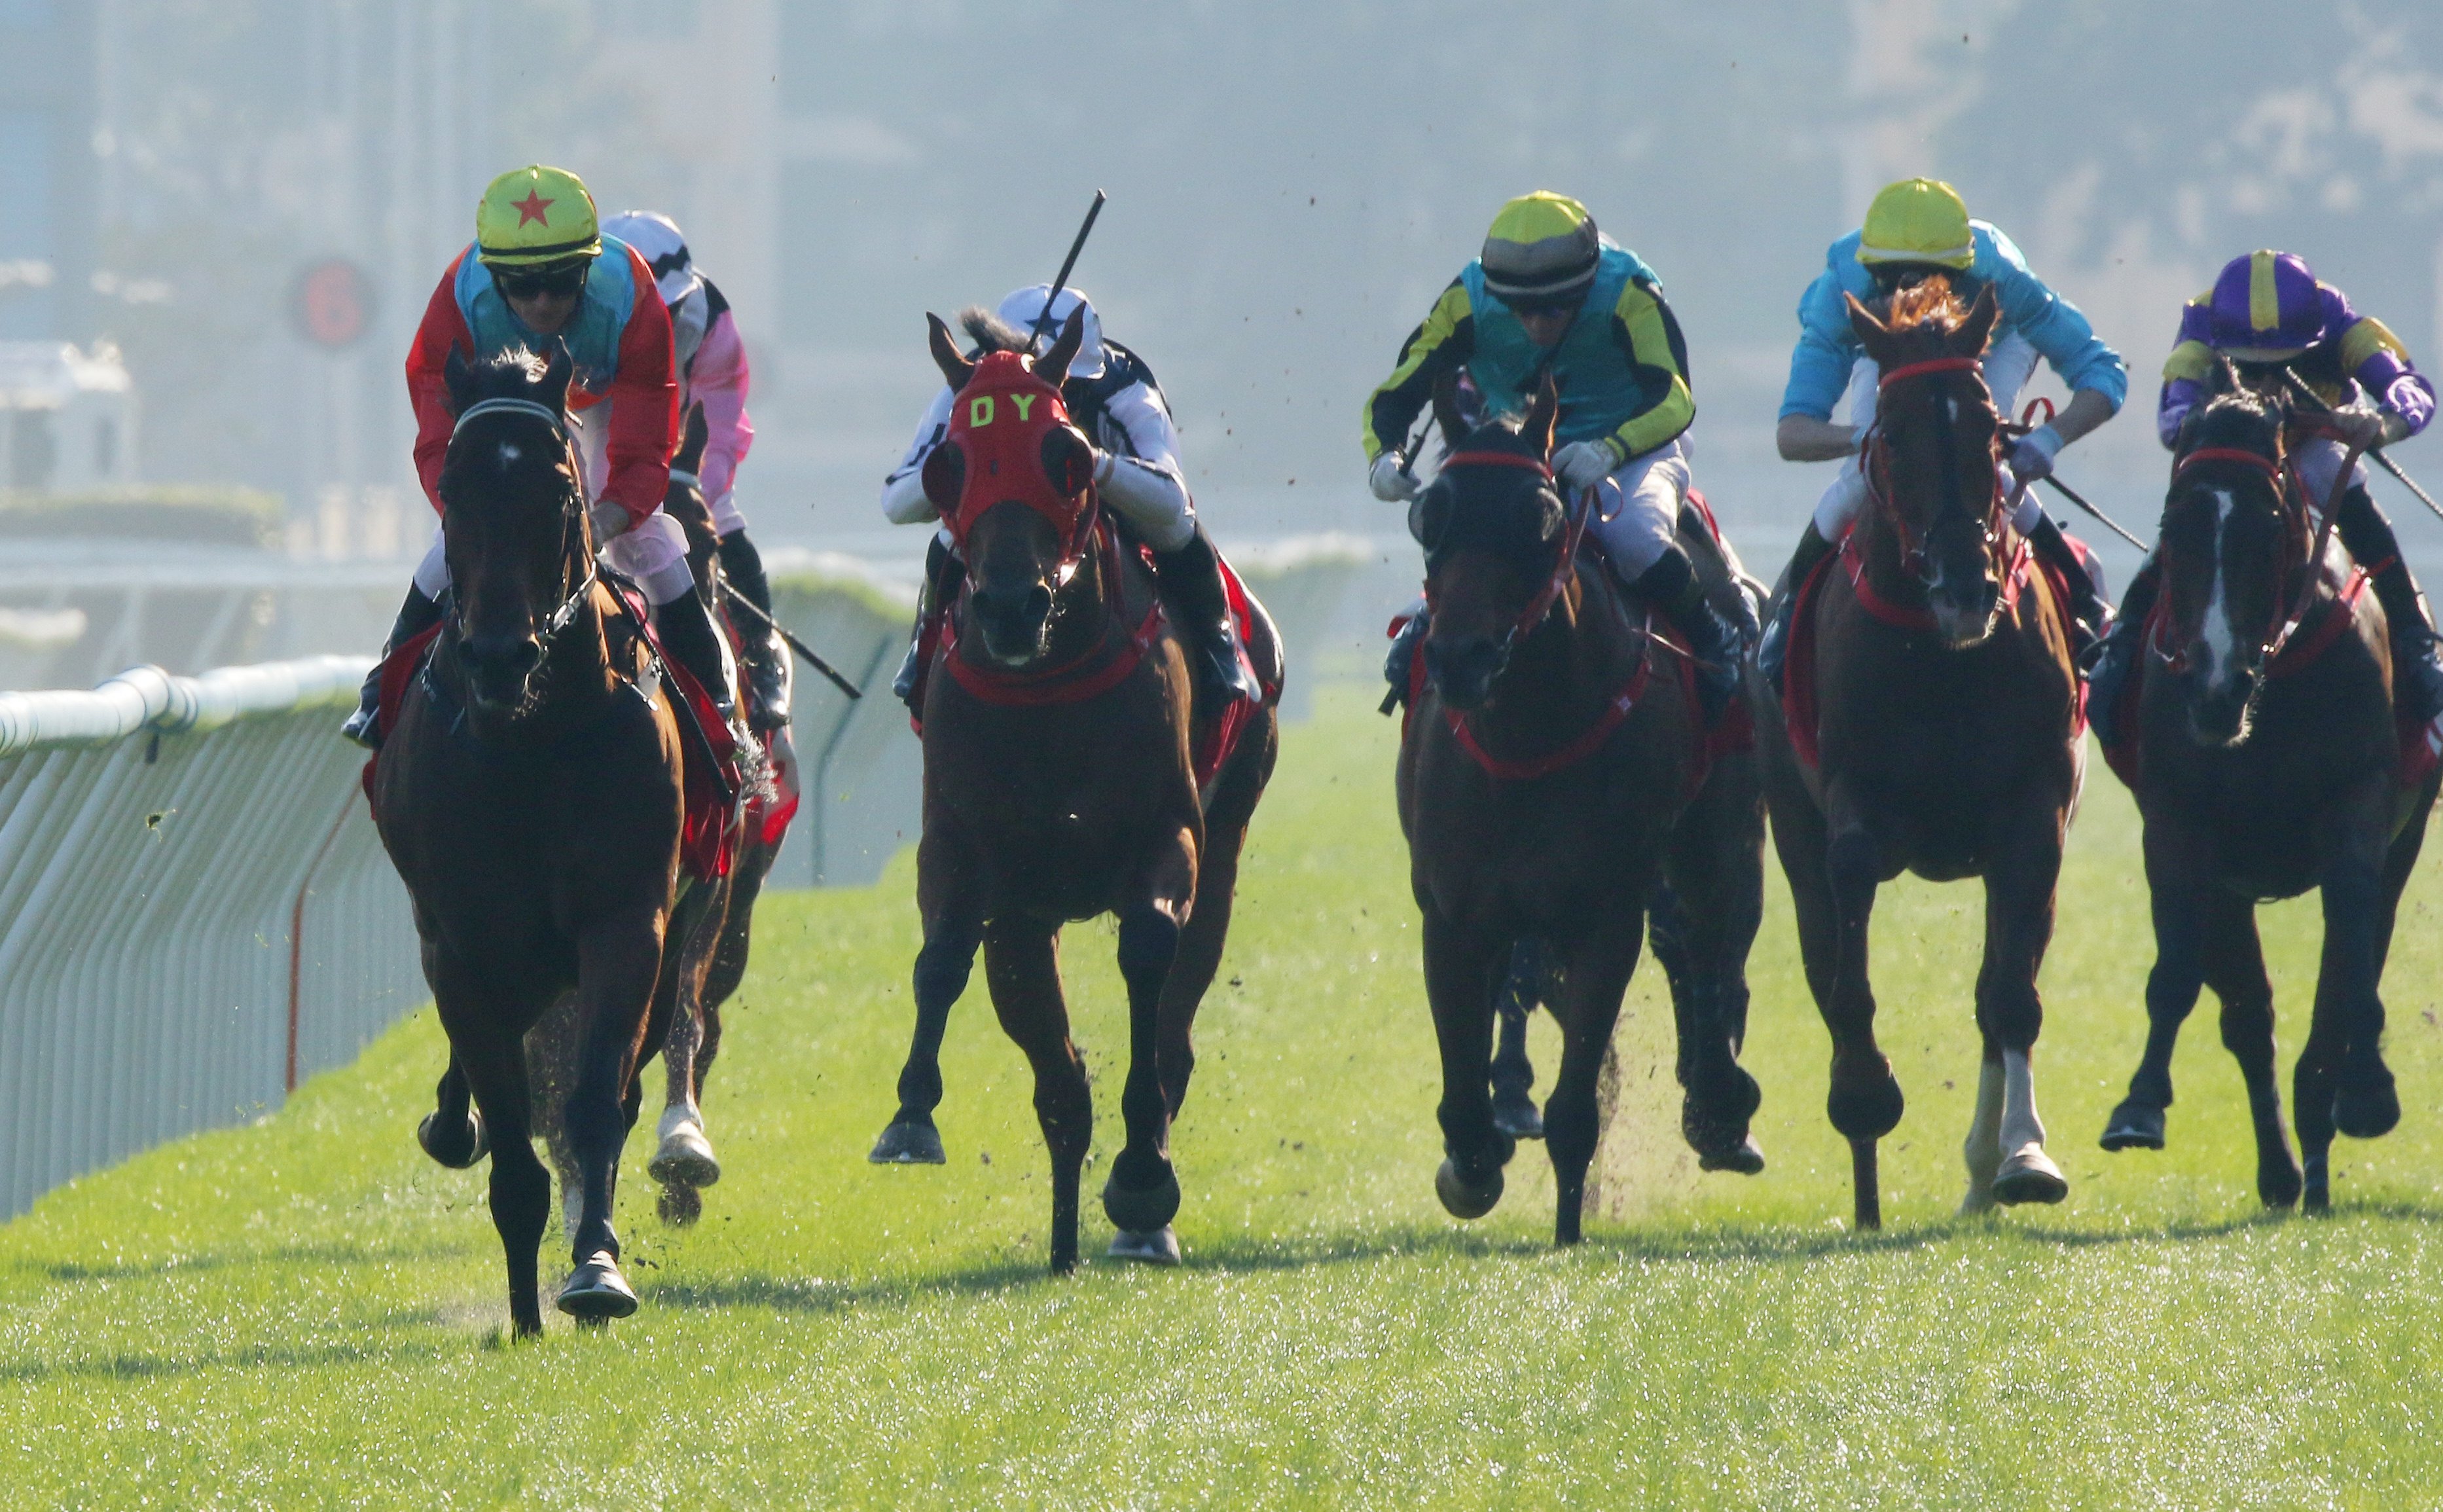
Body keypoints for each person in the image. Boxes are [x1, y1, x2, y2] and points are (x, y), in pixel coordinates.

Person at [343, 164, 735, 746]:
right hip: (505, 401)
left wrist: (612, 514)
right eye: (523, 286)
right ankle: (380, 696)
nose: (544, 301)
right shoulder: (462, 299)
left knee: (644, 537)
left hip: (606, 395)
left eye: (562, 280)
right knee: (449, 543)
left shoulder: (632, 292)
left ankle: (719, 721)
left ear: (589, 266)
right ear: (495, 277)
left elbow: (648, 429)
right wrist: (467, 510)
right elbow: (436, 431)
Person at [1362, 190, 1742, 718]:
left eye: (1556, 308)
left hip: (1636, 441)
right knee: (1469, 530)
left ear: (1586, 284)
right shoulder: (1467, 301)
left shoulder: (1628, 290)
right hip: (1525, 449)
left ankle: (1713, 637)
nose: (1538, 324)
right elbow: (1398, 393)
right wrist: (1385, 455)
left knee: (1632, 535)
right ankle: (1433, 624)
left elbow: (1675, 395)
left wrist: (1611, 450)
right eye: (1522, 310)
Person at [1760, 177, 2126, 684]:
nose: (1914, 297)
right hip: (1887, 350)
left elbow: (2104, 375)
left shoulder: (2004, 279)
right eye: (1895, 282)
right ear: (1870, 274)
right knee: (1860, 474)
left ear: (1964, 271)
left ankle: (2085, 605)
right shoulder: (1841, 292)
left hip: (1993, 338)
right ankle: (1789, 613)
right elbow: (1793, 434)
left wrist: (2049, 439)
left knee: (1979, 458)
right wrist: (1866, 441)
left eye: (1933, 281)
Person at [2086, 249, 2443, 738]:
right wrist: (2212, 417)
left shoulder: (2336, 317)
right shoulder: (2201, 318)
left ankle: (2418, 647)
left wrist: (2382, 424)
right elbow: (2173, 417)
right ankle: (2121, 651)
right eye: (2248, 368)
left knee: (2354, 506)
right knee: (2189, 528)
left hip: (2314, 442)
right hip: (2237, 445)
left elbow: (2410, 387)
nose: (2266, 379)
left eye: (2283, 364)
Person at [880, 284, 1259, 710]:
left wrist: (1089, 461)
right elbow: (897, 501)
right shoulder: (966, 393)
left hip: (1108, 499)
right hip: (1009, 504)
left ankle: (1218, 645)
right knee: (951, 539)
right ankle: (925, 646)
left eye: (1068, 389)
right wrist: (956, 464)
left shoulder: (1130, 393)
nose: (1058, 398)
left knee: (1176, 529)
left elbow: (1171, 498)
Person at [601, 209, 790, 733]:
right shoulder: (576, 314)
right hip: (598, 453)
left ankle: (760, 654)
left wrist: (690, 487)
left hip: (678, 455)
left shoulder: (708, 320)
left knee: (722, 517)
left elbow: (723, 423)